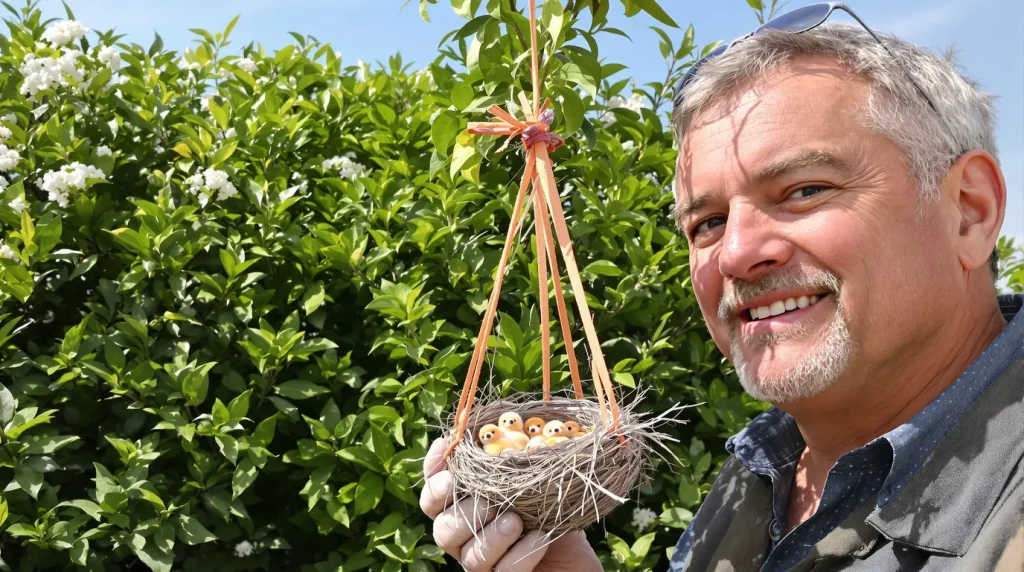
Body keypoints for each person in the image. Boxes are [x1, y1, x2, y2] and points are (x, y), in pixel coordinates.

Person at [419, 3, 1024, 570]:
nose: (735, 253)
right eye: (706, 223)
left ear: (968, 211)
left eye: (804, 190)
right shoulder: (758, 474)